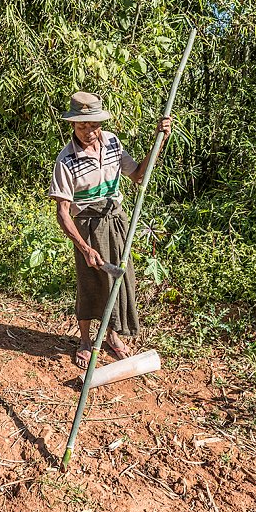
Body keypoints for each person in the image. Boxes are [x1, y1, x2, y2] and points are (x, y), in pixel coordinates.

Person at [49, 91, 171, 369]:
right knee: (90, 283)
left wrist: (159, 140)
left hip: (116, 220)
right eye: (82, 125)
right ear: (73, 125)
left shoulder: (113, 143)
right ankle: (84, 340)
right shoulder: (66, 160)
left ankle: (112, 337)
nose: (89, 131)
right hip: (87, 226)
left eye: (94, 124)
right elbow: (63, 214)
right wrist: (85, 247)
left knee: (118, 280)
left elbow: (138, 175)